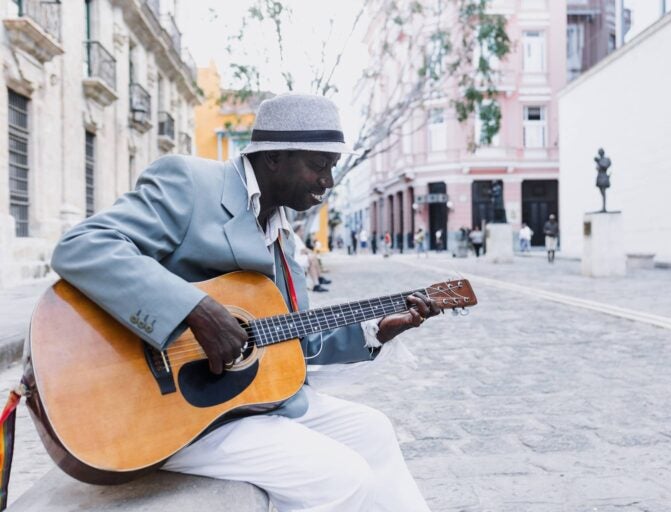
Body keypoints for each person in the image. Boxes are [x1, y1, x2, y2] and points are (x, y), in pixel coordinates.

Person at [47, 94, 437, 511]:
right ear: (273, 158)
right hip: (169, 412)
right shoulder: (191, 182)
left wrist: (374, 331)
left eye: (333, 167)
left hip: (244, 403)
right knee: (341, 478)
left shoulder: (283, 242)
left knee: (372, 429)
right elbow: (82, 246)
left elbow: (293, 342)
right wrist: (194, 310)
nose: (329, 181)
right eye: (319, 165)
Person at [292, 223, 331, 292]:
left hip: (297, 258)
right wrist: (311, 251)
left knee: (312, 259)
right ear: (299, 230)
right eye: (302, 230)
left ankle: (317, 282)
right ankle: (318, 280)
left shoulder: (295, 237)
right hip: (296, 259)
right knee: (312, 258)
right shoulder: (295, 237)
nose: (303, 231)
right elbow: (303, 250)